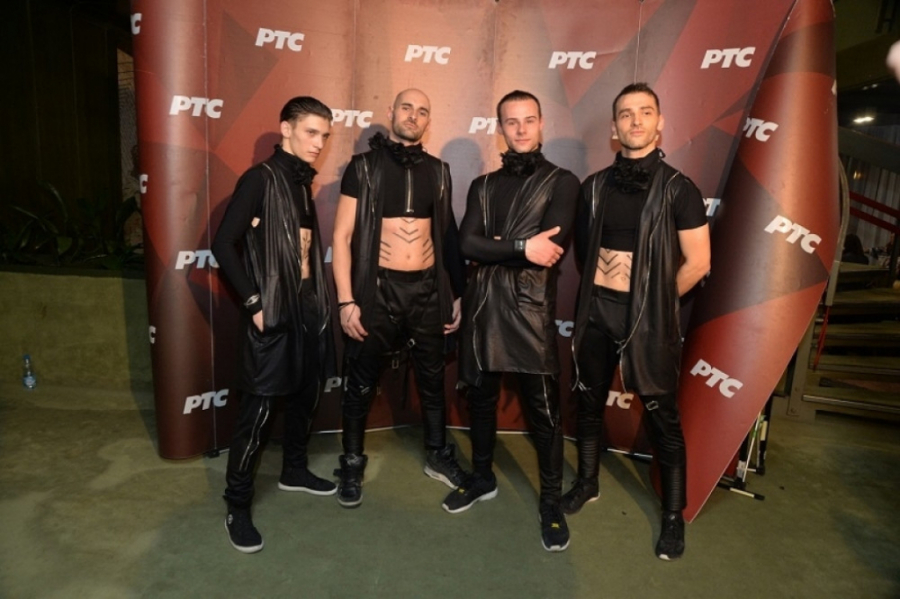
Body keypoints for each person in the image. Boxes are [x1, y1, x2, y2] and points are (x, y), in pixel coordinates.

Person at [564, 83, 711, 561]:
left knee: (663, 418)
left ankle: (673, 515)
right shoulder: (592, 187)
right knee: (589, 403)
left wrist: (653, 305)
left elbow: (699, 262)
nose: (635, 121)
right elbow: (585, 255)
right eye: (626, 114)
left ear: (659, 122)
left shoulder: (679, 188)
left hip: (649, 321)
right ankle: (587, 481)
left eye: (645, 112)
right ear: (614, 127)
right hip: (597, 312)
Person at [443, 90, 579, 552]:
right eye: (511, 121)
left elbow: (550, 248)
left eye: (528, 120)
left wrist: (496, 244)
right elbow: (468, 245)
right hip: (483, 305)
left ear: (541, 124)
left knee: (544, 412)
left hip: (530, 307)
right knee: (481, 399)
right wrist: (521, 245)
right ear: (500, 128)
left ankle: (550, 503)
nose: (520, 129)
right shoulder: (483, 186)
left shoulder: (563, 182)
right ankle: (483, 476)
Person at [212, 96, 337, 553]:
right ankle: (237, 505)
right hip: (273, 309)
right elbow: (223, 243)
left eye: (324, 136)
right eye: (310, 132)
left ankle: (294, 470)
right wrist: (254, 302)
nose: (318, 143)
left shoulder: (302, 182)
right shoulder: (259, 179)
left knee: (306, 394)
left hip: (308, 307)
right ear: (286, 128)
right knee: (260, 409)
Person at [331, 88, 466, 508]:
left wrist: (458, 293)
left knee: (432, 379)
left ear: (429, 120)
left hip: (427, 290)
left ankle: (437, 454)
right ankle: (352, 461)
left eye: (422, 111)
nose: (413, 115)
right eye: (406, 107)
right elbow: (342, 237)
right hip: (377, 290)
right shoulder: (363, 167)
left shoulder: (439, 171)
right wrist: (346, 301)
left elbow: (448, 236)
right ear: (391, 112)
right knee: (360, 380)